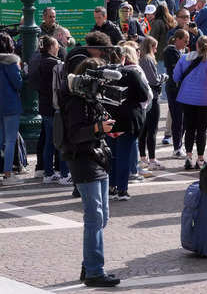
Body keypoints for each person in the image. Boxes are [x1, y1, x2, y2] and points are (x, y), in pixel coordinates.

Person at [59, 57, 120, 287]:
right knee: (94, 216)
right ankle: (95, 270)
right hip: (83, 161)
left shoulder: (91, 98)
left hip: (97, 158)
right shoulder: (76, 101)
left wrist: (107, 130)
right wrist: (97, 128)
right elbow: (75, 135)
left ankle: (89, 263)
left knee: (102, 216)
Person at [104, 45, 152, 200]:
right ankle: (122, 190)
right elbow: (145, 95)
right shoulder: (131, 73)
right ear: (123, 58)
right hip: (127, 120)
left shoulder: (102, 73)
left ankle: (111, 187)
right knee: (123, 155)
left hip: (109, 120)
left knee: (111, 155)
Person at [174, 36, 207, 170]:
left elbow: (176, 76)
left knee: (189, 128)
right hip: (205, 99)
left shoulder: (184, 58)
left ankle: (188, 157)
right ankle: (200, 158)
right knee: (202, 130)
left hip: (187, 98)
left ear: (196, 46)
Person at [34, 36, 70, 184]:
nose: (58, 48)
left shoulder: (38, 60)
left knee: (49, 140)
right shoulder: (56, 64)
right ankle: (64, 174)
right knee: (60, 140)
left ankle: (48, 173)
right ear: (50, 47)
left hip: (43, 105)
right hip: (55, 106)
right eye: (56, 45)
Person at [138, 36, 165, 172]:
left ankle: (143, 158)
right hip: (152, 98)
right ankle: (152, 159)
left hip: (143, 98)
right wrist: (163, 77)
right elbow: (154, 80)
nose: (156, 50)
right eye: (154, 47)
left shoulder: (142, 59)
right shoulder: (148, 59)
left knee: (143, 130)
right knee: (152, 130)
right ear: (150, 47)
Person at [0, 32, 22, 185]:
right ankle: (7, 174)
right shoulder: (11, 61)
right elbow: (18, 83)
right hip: (10, 104)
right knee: (9, 140)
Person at [163, 30, 188, 158]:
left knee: (183, 119)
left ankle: (179, 144)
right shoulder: (170, 51)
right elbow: (177, 69)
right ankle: (176, 148)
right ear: (177, 39)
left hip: (182, 89)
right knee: (177, 119)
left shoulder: (182, 52)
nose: (186, 43)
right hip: (174, 89)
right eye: (184, 40)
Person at [149, 4, 176, 71]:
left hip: (159, 53)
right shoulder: (172, 22)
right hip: (170, 52)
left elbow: (152, 38)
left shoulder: (157, 22)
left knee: (160, 73)